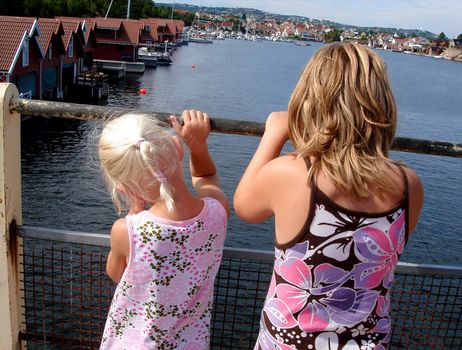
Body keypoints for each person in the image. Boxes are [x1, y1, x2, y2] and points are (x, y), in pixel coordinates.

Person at [234, 42, 424, 350]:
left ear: (311, 99)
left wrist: (274, 133)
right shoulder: (409, 184)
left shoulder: (293, 174)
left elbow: (245, 207)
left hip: (290, 343)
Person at [98, 110, 229, 350]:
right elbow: (207, 176)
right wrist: (197, 145)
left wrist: (134, 210)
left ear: (123, 186)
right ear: (177, 148)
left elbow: (117, 274)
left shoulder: (127, 230)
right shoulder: (218, 212)